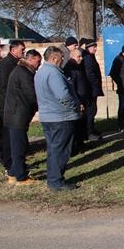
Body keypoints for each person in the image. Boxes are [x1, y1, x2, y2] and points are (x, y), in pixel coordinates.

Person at [34, 46, 81, 191]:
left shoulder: (40, 72)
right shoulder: (53, 73)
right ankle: (56, 181)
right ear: (53, 58)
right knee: (60, 150)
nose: (63, 60)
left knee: (53, 150)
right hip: (60, 117)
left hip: (48, 116)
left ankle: (53, 179)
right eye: (61, 58)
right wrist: (75, 106)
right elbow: (63, 95)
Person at [3, 49, 42, 185]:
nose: (39, 64)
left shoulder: (22, 71)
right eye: (38, 61)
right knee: (19, 146)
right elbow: (31, 95)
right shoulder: (23, 73)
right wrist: (41, 105)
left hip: (16, 114)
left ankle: (14, 172)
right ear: (30, 59)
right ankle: (21, 177)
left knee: (19, 144)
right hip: (17, 115)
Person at [0, 39, 25, 173]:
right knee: (8, 136)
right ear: (13, 50)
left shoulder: (17, 64)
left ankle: (16, 162)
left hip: (16, 106)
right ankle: (9, 163)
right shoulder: (4, 65)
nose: (23, 52)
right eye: (22, 50)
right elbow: (4, 86)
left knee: (16, 137)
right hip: (8, 106)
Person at [64, 48, 90, 152]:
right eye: (79, 56)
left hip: (83, 98)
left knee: (81, 124)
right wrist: (78, 102)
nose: (81, 58)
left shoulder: (78, 67)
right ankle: (75, 147)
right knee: (76, 125)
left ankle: (81, 144)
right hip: (77, 100)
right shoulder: (70, 69)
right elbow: (71, 87)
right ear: (72, 57)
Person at [82, 39, 104, 141]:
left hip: (93, 89)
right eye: (93, 47)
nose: (95, 48)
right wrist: (95, 85)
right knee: (91, 110)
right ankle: (89, 132)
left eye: (96, 46)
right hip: (90, 89)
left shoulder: (91, 57)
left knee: (93, 110)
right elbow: (90, 74)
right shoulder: (87, 58)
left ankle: (91, 129)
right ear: (88, 47)